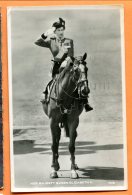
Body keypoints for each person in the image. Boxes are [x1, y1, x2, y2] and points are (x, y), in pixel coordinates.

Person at [35, 18, 93, 112]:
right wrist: (45, 34)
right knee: (53, 82)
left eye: (62, 30)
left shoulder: (68, 41)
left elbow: (70, 55)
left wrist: (68, 61)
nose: (61, 32)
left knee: (78, 79)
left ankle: (85, 102)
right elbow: (37, 42)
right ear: (54, 31)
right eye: (58, 30)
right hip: (57, 66)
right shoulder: (51, 41)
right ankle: (48, 97)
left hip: (68, 63)